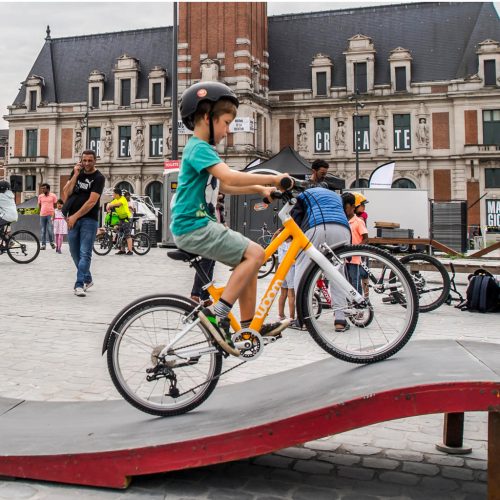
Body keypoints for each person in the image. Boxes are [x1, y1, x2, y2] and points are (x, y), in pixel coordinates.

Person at [170, 81, 290, 345]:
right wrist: (273, 179)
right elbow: (229, 175)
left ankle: (248, 328)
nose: (227, 131)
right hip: (194, 226)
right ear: (205, 117)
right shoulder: (198, 147)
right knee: (256, 253)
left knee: (247, 262)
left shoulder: (203, 149)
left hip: (197, 225)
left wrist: (260, 188)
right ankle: (218, 312)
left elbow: (223, 185)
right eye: (225, 123)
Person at [291, 186, 352, 333]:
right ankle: (340, 319)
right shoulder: (337, 196)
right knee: (338, 274)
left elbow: (295, 217)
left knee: (302, 268)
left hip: (317, 227)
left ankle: (303, 318)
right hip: (342, 229)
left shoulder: (304, 194)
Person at [62, 149, 105, 297]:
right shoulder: (77, 172)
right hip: (72, 219)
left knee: (85, 253)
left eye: (90, 161)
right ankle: (88, 278)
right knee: (74, 253)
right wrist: (75, 174)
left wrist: (75, 216)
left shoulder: (99, 178)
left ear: (95, 161)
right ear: (81, 160)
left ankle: (79, 284)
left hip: (89, 220)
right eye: (84, 160)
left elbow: (92, 202)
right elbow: (66, 193)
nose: (87, 163)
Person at [342, 192, 368, 294]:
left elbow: (366, 239)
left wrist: (356, 248)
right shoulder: (343, 221)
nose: (344, 210)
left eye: (346, 207)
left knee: (355, 282)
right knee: (347, 282)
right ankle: (350, 302)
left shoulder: (358, 221)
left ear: (353, 207)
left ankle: (358, 303)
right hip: (345, 257)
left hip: (355, 257)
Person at [106, 187, 133, 255]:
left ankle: (130, 251)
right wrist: (108, 206)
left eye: (114, 194)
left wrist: (111, 205)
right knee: (120, 234)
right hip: (121, 219)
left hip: (127, 218)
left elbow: (118, 204)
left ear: (117, 194)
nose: (113, 195)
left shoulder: (122, 199)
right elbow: (109, 204)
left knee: (127, 235)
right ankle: (122, 250)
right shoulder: (116, 199)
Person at [277, 236, 297, 325]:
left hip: (280, 267)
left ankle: (281, 315)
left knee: (283, 293)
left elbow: (274, 240)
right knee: (291, 294)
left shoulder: (280, 242)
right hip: (291, 268)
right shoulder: (294, 242)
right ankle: (292, 317)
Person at [38, 183, 57, 250]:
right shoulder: (40, 196)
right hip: (42, 215)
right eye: (42, 188)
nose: (42, 190)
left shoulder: (53, 196)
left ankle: (51, 243)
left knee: (49, 230)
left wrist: (53, 214)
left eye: (44, 188)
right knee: (43, 230)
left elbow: (55, 205)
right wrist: (39, 212)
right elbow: (39, 205)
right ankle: (43, 245)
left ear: (48, 189)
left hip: (50, 215)